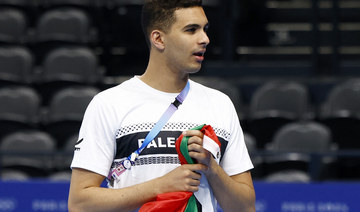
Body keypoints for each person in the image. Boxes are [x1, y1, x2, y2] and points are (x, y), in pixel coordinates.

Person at [68, 0, 256, 211]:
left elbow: (246, 208)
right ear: (158, 38)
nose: (205, 39)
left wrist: (212, 167)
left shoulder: (220, 104)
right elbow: (79, 204)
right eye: (191, 30)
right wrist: (160, 186)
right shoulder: (109, 103)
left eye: (205, 29)